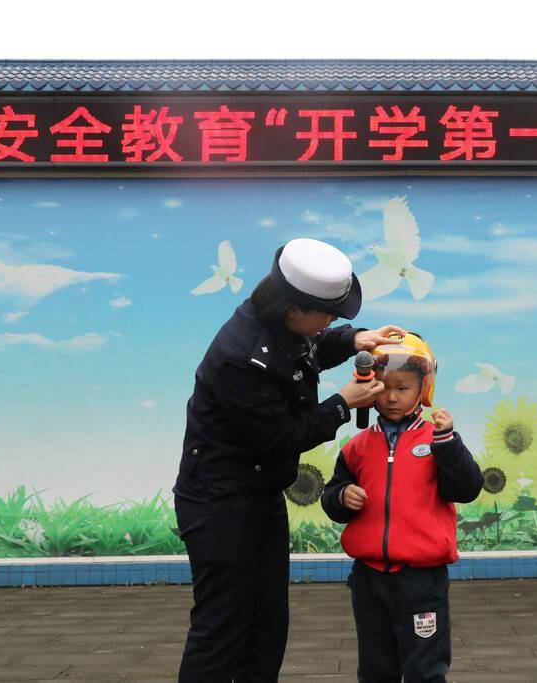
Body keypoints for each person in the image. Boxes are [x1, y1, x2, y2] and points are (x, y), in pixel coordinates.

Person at [173, 237, 403, 682]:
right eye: (330, 314)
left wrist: (356, 339)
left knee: (268, 624)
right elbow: (282, 437)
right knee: (222, 628)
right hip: (219, 502)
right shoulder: (241, 359)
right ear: (293, 310)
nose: (332, 320)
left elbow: (311, 348)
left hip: (259, 494)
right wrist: (343, 403)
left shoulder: (279, 321)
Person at [321, 332, 484, 683]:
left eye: (404, 388)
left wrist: (448, 443)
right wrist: (341, 496)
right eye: (384, 387)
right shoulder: (357, 447)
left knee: (425, 669)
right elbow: (331, 498)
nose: (392, 397)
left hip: (422, 581)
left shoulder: (438, 440)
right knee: (376, 669)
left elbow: (468, 488)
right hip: (368, 579)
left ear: (423, 389)